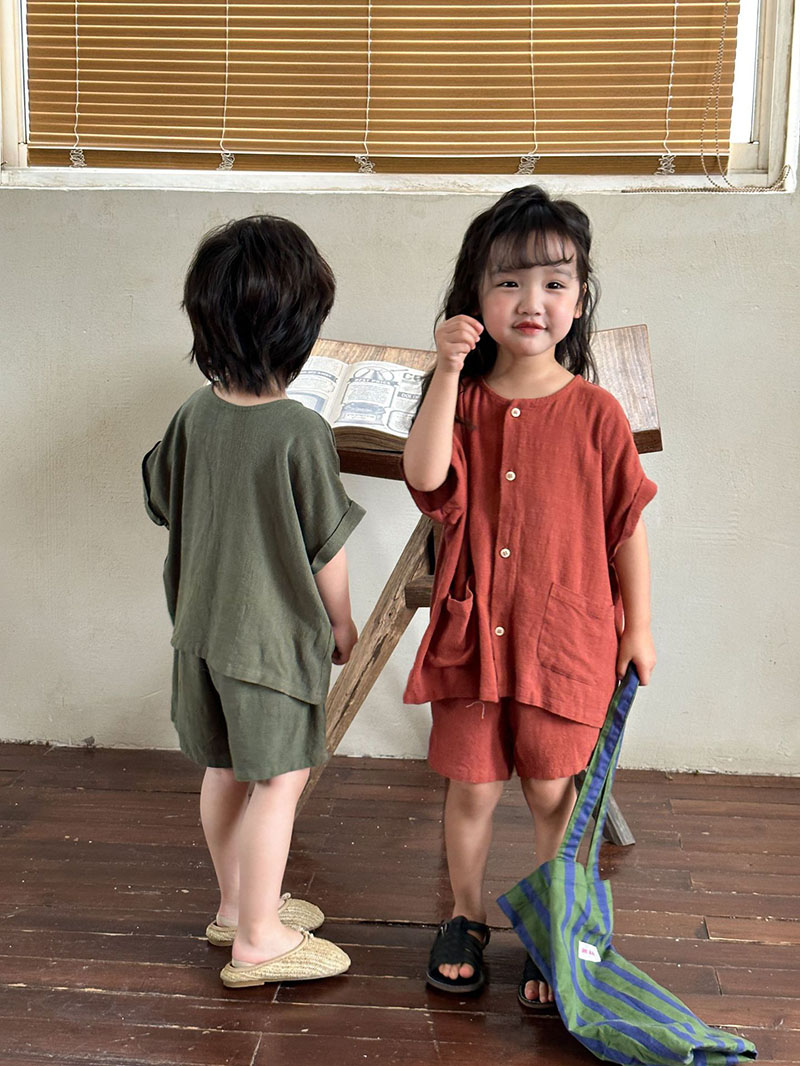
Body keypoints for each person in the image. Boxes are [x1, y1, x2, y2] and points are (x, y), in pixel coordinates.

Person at [403, 185, 657, 1011]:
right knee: (472, 787)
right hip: (473, 637)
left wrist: (639, 626)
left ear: (579, 299)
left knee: (553, 791)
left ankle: (553, 923)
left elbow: (625, 528)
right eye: (507, 281)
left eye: (553, 281)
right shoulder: (465, 402)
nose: (531, 301)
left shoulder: (597, 413)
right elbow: (425, 477)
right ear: (475, 298)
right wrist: (447, 370)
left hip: (564, 641)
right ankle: (464, 916)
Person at [142, 215, 364, 989]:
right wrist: (343, 622)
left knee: (227, 770)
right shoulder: (301, 432)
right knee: (280, 780)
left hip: (199, 634)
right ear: (300, 332)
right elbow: (326, 547)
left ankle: (237, 906)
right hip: (271, 646)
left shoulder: (192, 414)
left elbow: (159, 496)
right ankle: (261, 941)